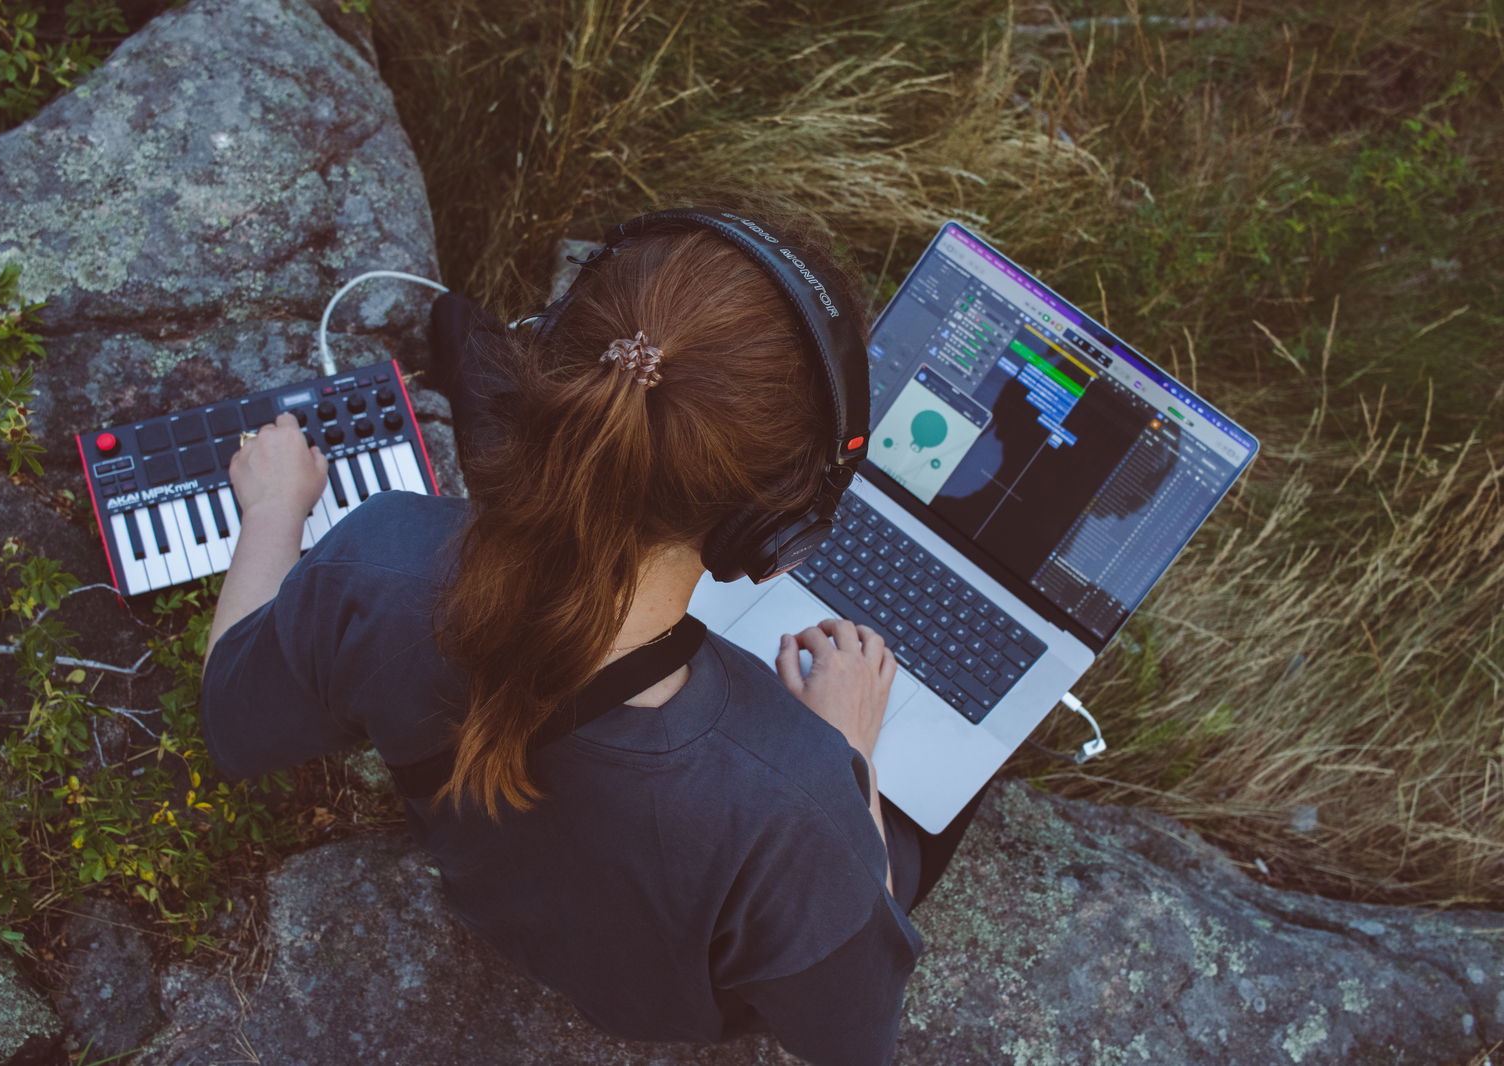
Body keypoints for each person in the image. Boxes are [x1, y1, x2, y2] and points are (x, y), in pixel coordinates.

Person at [200, 207, 979, 1066]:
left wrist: (273, 510)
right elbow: (851, 1045)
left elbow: (230, 720)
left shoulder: (374, 563)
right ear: (773, 531)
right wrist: (848, 758)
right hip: (658, 1005)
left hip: (489, 882)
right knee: (946, 810)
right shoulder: (797, 813)